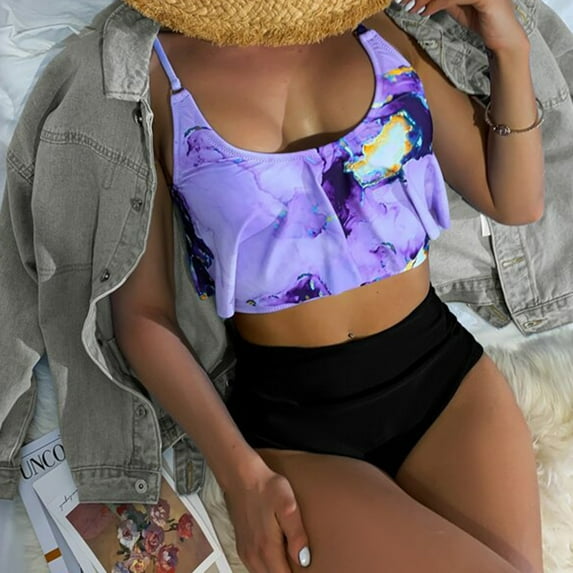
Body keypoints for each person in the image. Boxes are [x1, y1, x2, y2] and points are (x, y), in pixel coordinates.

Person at [106, 0, 544, 572]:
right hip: (298, 427)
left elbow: (514, 199)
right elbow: (141, 315)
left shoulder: (374, 27)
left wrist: (510, 47)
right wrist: (240, 477)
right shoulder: (153, 73)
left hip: (446, 384)